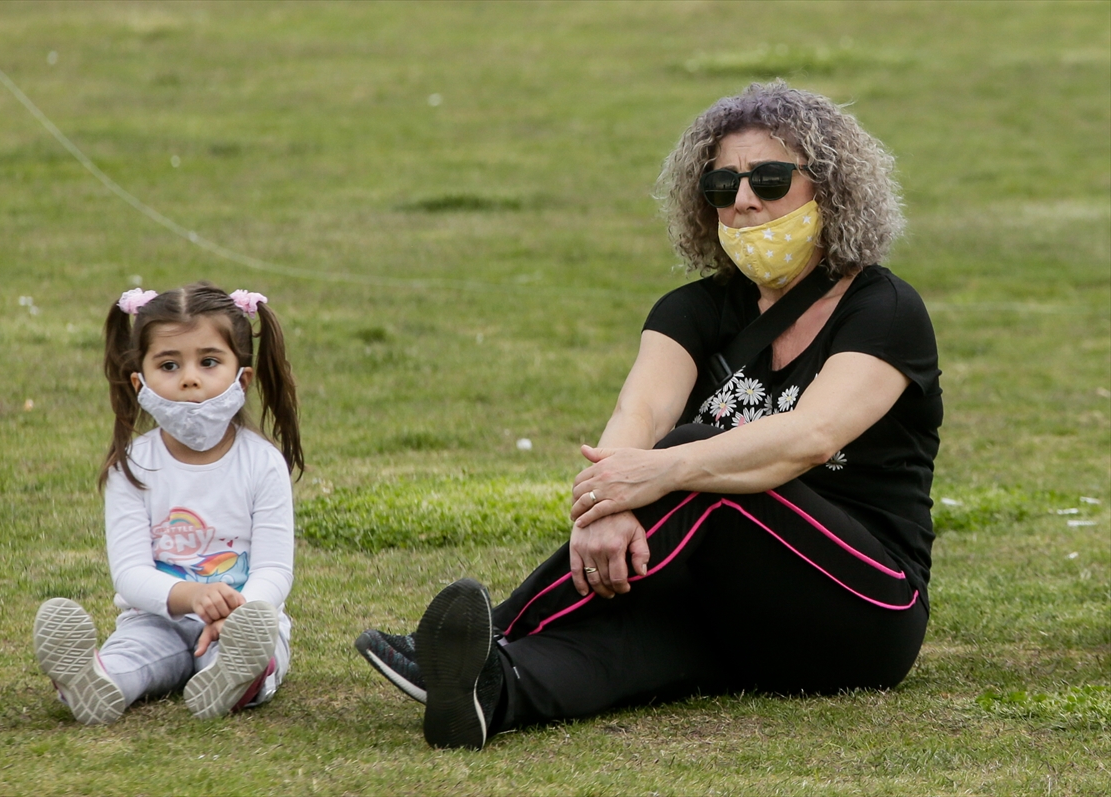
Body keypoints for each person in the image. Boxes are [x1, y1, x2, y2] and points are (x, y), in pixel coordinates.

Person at [356, 80, 942, 750]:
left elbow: (811, 436)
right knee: (621, 638)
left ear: (829, 189)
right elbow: (640, 408)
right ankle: (489, 688)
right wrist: (607, 505)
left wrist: (655, 474)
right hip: (735, 612)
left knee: (702, 462)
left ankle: (500, 626)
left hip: (865, 609)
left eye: (771, 179)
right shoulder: (690, 312)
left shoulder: (885, 310)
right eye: (723, 186)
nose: (745, 200)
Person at [33, 282, 303, 724]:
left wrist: (237, 613)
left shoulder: (263, 464)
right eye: (169, 364)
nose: (190, 377)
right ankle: (92, 683)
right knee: (130, 656)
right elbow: (131, 574)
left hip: (244, 621)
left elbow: (275, 571)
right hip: (155, 619)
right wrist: (193, 596)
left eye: (209, 361)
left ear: (243, 378)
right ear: (140, 382)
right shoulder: (133, 464)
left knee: (251, 649)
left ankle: (237, 678)